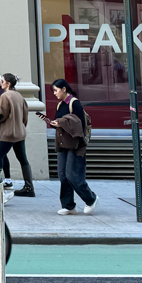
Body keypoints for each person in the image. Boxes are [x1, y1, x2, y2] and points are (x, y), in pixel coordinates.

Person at [0, 72, 36, 197]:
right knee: (23, 159)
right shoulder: (19, 96)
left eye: (3, 81)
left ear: (8, 84)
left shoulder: (5, 96)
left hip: (8, 133)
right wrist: (21, 126)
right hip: (20, 132)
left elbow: (2, 115)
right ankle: (29, 187)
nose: (1, 83)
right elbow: (25, 116)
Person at [46, 78, 96, 215]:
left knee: (72, 175)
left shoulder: (75, 103)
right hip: (63, 144)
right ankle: (69, 206)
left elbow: (78, 125)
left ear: (64, 89)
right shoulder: (60, 105)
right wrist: (53, 123)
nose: (55, 94)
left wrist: (60, 122)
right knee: (63, 175)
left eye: (56, 90)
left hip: (75, 145)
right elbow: (61, 122)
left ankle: (91, 199)